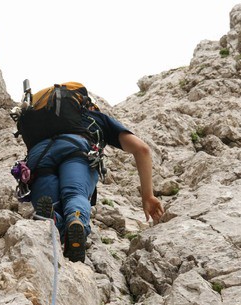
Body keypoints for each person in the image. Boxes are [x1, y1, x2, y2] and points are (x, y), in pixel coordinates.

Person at [27, 100, 165, 262]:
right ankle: (75, 218)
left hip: (39, 156)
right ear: (89, 106)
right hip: (76, 148)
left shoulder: (43, 120)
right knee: (74, 194)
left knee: (52, 204)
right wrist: (148, 196)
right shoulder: (94, 117)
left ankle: (53, 218)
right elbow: (141, 149)